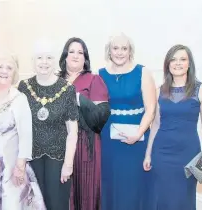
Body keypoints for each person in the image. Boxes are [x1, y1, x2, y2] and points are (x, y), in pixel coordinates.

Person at [144, 44, 202, 210]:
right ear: (167, 64)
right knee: (162, 201)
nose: (177, 63)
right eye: (173, 59)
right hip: (161, 155)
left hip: (187, 155)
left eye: (182, 59)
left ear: (189, 64)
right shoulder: (159, 91)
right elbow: (155, 125)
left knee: (183, 202)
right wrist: (148, 154)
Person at [0, 53, 45, 209]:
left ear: (14, 73)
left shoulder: (19, 99)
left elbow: (26, 134)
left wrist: (20, 165)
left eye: (9, 68)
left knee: (12, 203)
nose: (4, 71)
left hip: (13, 166)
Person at [18, 40, 79, 210]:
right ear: (33, 61)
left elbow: (72, 132)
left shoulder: (67, 89)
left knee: (56, 204)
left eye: (49, 57)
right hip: (31, 159)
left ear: (55, 60)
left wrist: (68, 164)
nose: (44, 62)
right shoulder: (24, 87)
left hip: (58, 161)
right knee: (33, 204)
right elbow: (18, 126)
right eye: (39, 58)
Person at [98, 33, 156, 210]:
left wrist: (138, 134)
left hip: (136, 140)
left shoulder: (143, 72)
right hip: (108, 140)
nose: (120, 52)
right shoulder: (100, 74)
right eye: (116, 48)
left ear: (130, 51)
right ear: (109, 51)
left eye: (124, 48)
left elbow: (151, 109)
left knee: (133, 186)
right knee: (110, 183)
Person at [58, 37, 110, 210]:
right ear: (65, 56)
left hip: (85, 146)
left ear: (85, 58)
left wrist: (78, 97)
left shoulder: (94, 80)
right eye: (71, 51)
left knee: (84, 195)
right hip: (56, 147)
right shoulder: (54, 81)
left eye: (80, 52)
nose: (75, 56)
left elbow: (99, 118)